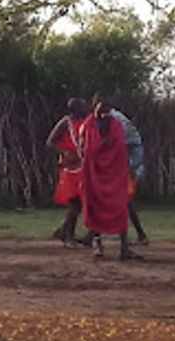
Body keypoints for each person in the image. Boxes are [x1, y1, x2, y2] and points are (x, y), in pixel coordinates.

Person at [80, 97, 141, 260]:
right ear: (94, 107)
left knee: (120, 207)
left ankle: (124, 248)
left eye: (106, 110)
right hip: (94, 172)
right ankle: (97, 244)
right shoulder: (88, 125)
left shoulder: (116, 125)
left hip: (114, 174)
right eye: (100, 109)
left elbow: (120, 149)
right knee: (94, 207)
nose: (103, 113)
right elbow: (83, 148)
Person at [47, 98, 90, 247]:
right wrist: (64, 153)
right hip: (71, 168)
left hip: (83, 165)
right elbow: (50, 142)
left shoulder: (85, 122)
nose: (86, 108)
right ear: (75, 109)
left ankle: (64, 231)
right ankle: (68, 237)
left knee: (82, 202)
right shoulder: (66, 123)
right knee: (75, 202)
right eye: (82, 106)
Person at [109, 104, 150, 245]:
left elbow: (120, 143)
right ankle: (139, 235)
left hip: (128, 164)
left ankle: (94, 235)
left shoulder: (114, 119)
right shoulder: (117, 118)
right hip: (130, 163)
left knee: (121, 200)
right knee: (123, 201)